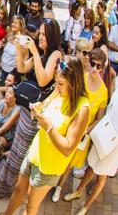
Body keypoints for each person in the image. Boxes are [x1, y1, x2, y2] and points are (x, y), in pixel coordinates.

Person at [2, 55, 89, 215]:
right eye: (56, 83)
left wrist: (48, 126)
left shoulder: (82, 108)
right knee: (18, 190)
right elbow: (46, 104)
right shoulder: (58, 90)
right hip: (35, 152)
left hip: (49, 166)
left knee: (31, 206)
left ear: (74, 82)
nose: (58, 88)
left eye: (61, 84)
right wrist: (39, 107)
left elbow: (68, 148)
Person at [0, 18, 62, 198]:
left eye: (44, 35)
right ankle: (5, 184)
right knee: (17, 149)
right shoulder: (41, 53)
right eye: (39, 33)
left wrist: (34, 50)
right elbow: (22, 68)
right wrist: (19, 48)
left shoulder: (55, 55)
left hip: (36, 114)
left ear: (52, 36)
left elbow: (42, 80)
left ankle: (11, 188)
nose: (40, 37)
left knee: (20, 152)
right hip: (26, 108)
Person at [52, 48, 108, 202]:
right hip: (69, 122)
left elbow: (100, 118)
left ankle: (59, 187)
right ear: (88, 62)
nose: (95, 68)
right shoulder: (81, 78)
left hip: (83, 133)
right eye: (92, 63)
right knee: (59, 153)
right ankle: (52, 181)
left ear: (102, 68)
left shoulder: (103, 91)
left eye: (98, 66)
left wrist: (86, 130)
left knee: (70, 163)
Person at [62, 75, 118, 215]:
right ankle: (78, 191)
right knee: (91, 166)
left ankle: (86, 207)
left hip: (115, 144)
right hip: (105, 131)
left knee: (102, 176)